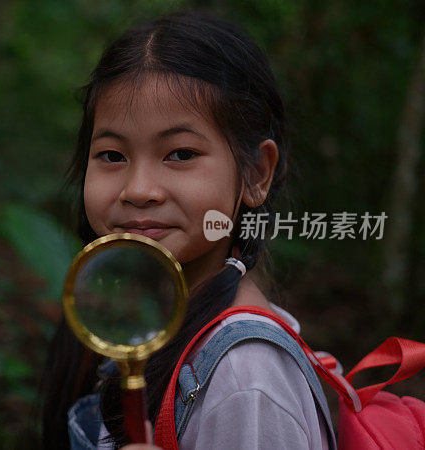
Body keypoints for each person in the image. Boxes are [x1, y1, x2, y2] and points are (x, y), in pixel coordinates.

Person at [40, 11, 334, 450]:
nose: (138, 190)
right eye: (112, 155)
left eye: (180, 153)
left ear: (256, 173)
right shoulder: (127, 325)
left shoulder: (245, 379)